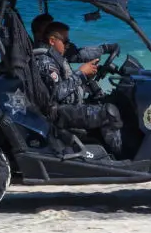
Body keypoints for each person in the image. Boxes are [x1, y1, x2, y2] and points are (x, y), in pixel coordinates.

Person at [35, 21, 123, 156]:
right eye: (66, 41)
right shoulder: (45, 62)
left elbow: (79, 54)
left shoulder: (55, 55)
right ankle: (119, 157)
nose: (68, 45)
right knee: (110, 113)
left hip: (67, 106)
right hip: (61, 113)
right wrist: (81, 74)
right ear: (52, 41)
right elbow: (58, 93)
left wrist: (87, 74)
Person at [31, 12, 119, 63]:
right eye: (49, 28)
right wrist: (104, 48)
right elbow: (79, 55)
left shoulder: (37, 48)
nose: (53, 29)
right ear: (38, 33)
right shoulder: (46, 53)